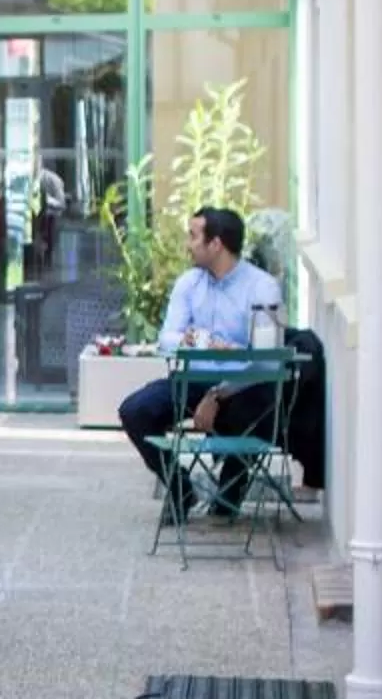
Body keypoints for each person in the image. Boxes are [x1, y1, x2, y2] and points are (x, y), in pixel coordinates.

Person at [118, 206, 288, 518]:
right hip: (192, 382)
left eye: (194, 236)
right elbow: (168, 337)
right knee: (135, 411)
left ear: (216, 244)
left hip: (242, 388)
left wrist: (218, 392)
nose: (187, 244)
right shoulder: (189, 283)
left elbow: (266, 362)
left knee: (253, 410)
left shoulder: (262, 287)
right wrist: (197, 340)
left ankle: (230, 491)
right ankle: (181, 487)